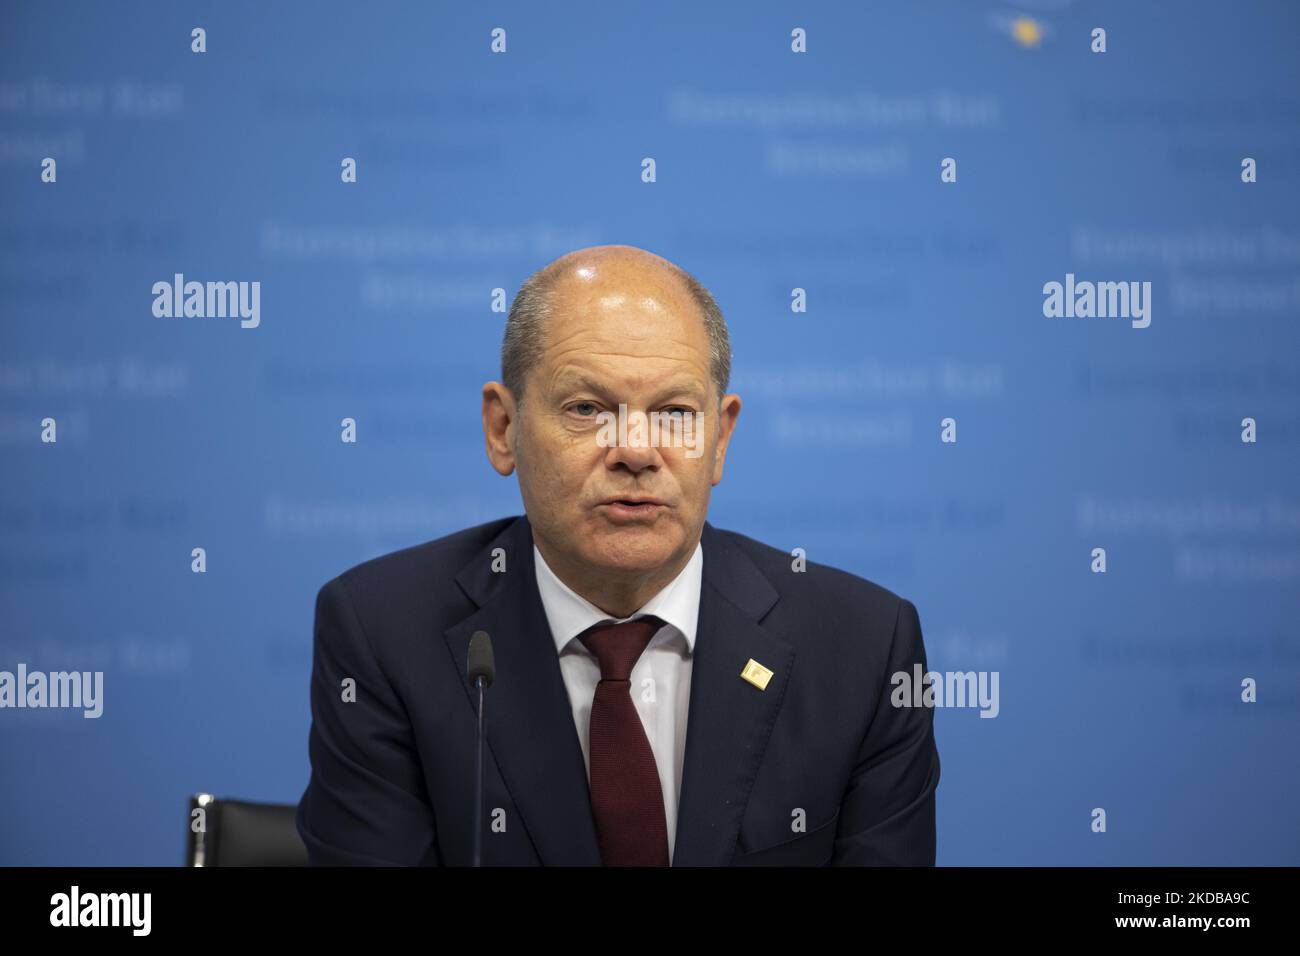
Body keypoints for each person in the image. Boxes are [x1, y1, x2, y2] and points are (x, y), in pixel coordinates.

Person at [295, 244, 940, 865]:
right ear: (504, 428)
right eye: (587, 408)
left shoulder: (862, 648)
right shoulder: (384, 634)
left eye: (676, 413)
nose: (635, 449)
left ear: (720, 440)